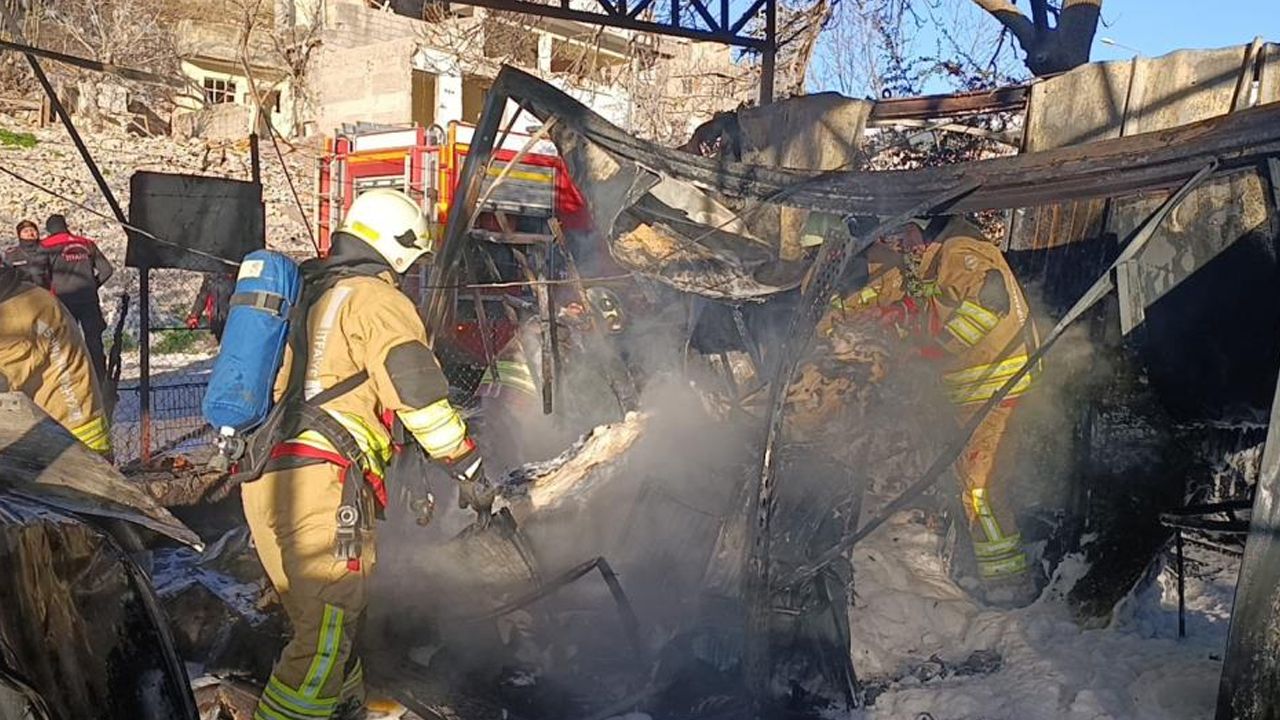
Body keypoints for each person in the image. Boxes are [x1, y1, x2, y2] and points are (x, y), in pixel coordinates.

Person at [243, 189, 492, 720]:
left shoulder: (309, 293)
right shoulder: (375, 299)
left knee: (324, 623)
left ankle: (347, 707)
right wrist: (466, 464)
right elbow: (416, 390)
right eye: (412, 262)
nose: (411, 274)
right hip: (323, 485)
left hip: (267, 477)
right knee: (325, 632)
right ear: (397, 248)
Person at [831, 216, 1040, 608]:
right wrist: (901, 312)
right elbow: (942, 302)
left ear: (923, 222)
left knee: (979, 488)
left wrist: (933, 350)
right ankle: (993, 571)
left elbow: (987, 305)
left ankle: (1009, 584)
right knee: (966, 479)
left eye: (902, 233)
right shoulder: (933, 254)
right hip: (974, 387)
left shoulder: (959, 250)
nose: (898, 245)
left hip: (996, 383)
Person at [0, 263, 112, 456]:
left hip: (70, 446)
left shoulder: (17, 313)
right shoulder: (24, 297)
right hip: (62, 436)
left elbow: (5, 379)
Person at [40, 214, 114, 383]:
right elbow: (107, 270)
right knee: (94, 341)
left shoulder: (45, 246)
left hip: (62, 301)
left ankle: (73, 380)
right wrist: (92, 285)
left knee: (65, 342)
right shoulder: (86, 243)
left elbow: (40, 274)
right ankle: (100, 380)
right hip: (88, 299)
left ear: (49, 229)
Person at [3, 220, 49, 288]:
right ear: (20, 235)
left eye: (32, 230)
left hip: (47, 289)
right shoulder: (12, 255)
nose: (30, 233)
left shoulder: (48, 249)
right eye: (26, 231)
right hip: (24, 291)